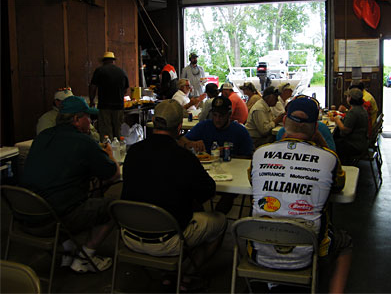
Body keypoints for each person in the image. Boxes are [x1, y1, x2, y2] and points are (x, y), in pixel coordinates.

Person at [250, 97, 352, 294]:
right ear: (315, 127)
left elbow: (254, 181)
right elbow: (338, 185)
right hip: (307, 251)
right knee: (345, 242)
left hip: (259, 250)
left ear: (284, 121)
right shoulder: (329, 158)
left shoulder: (260, 154)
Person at [121, 99, 226, 287]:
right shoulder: (184, 157)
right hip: (168, 239)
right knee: (219, 221)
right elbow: (208, 190)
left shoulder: (133, 151)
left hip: (129, 234)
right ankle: (185, 274)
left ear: (154, 122)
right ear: (179, 127)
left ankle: (168, 272)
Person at [21, 95, 120, 273]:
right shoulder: (84, 142)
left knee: (66, 195)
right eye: (88, 118)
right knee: (114, 206)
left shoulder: (43, 137)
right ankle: (85, 257)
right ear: (76, 119)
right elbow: (113, 174)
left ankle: (68, 252)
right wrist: (110, 155)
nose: (90, 122)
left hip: (24, 214)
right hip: (52, 220)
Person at [180, 96, 253, 157]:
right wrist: (190, 144)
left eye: (221, 116)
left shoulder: (240, 131)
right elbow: (180, 141)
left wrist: (228, 153)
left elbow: (248, 156)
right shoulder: (204, 126)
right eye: (215, 115)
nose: (217, 119)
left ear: (229, 114)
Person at [89, 51, 129, 140]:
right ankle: (119, 150)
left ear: (104, 61)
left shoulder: (100, 71)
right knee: (118, 131)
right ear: (113, 61)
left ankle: (108, 151)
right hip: (119, 106)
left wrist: (92, 101)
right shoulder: (121, 72)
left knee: (106, 132)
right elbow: (125, 90)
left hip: (105, 106)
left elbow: (93, 87)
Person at [333, 88, 369, 164]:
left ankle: (339, 165)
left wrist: (337, 120)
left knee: (332, 143)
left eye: (348, 97)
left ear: (350, 98)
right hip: (362, 142)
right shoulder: (361, 109)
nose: (347, 98)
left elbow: (345, 130)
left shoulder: (353, 112)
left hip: (354, 145)